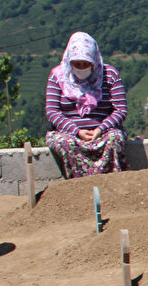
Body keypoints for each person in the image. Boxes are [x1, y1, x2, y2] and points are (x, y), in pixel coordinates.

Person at [45, 32, 128, 178]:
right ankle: (79, 183)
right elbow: (52, 111)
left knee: (114, 139)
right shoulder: (58, 76)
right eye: (77, 64)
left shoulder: (110, 75)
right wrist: (76, 131)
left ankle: (110, 181)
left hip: (103, 132)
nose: (81, 68)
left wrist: (100, 129)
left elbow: (120, 110)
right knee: (67, 144)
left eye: (86, 64)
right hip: (69, 133)